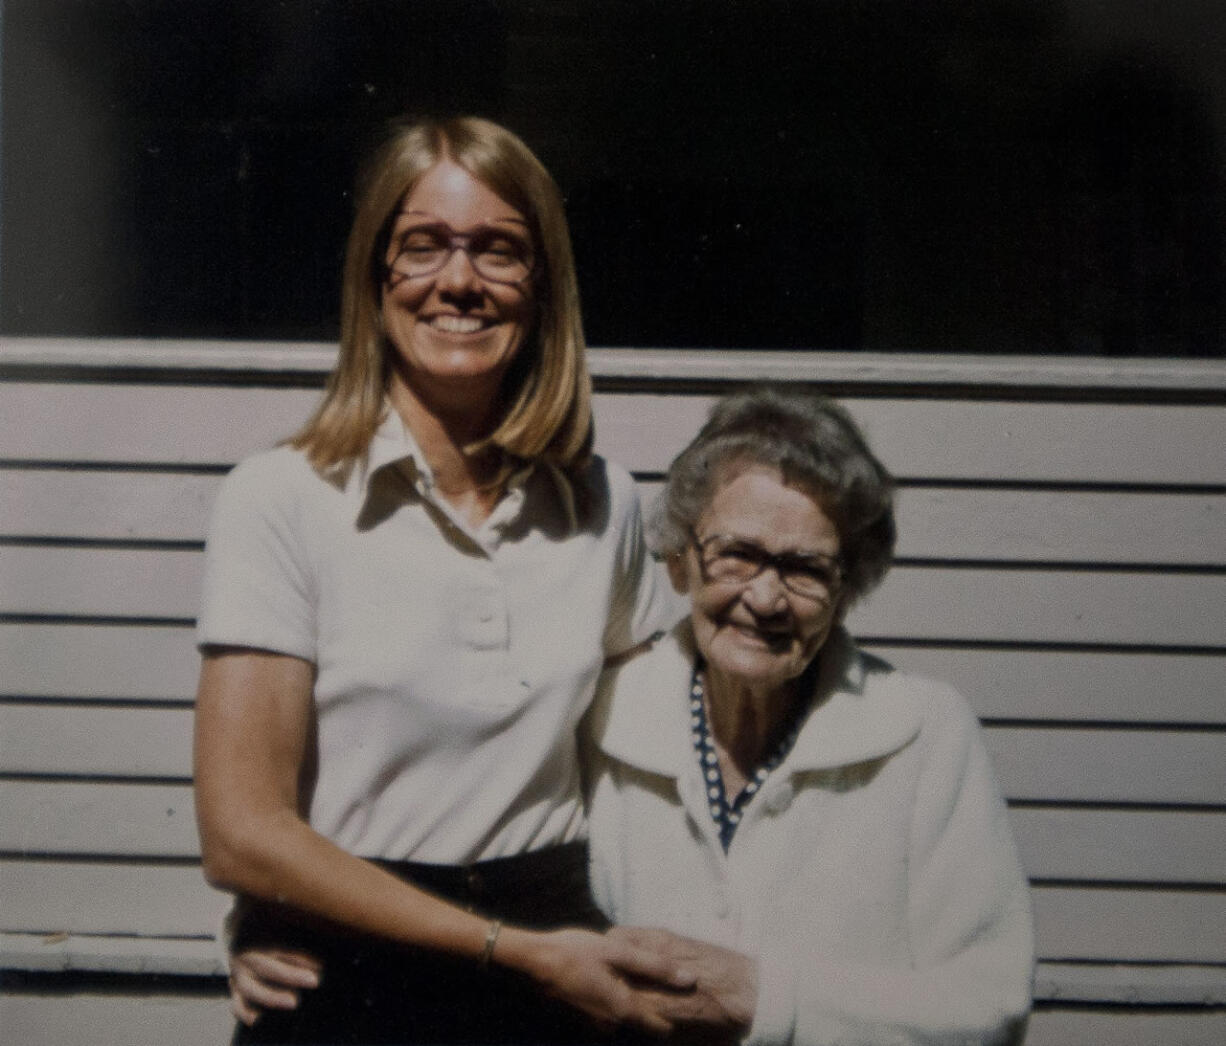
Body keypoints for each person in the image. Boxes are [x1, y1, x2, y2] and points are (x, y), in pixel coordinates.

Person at [230, 387, 1036, 1044]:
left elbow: (988, 1004)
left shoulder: (923, 733)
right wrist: (279, 922)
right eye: (738, 554)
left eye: (804, 568)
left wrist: (765, 1000)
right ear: (681, 556)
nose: (763, 597)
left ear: (849, 583)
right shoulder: (606, 710)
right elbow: (454, 836)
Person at [192, 114, 726, 1045]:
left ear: (544, 286)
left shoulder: (603, 504)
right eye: (424, 246)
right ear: (376, 277)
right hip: (354, 979)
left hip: (561, 970)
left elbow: (656, 768)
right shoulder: (281, 498)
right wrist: (264, 910)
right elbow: (242, 830)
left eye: (498, 252)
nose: (459, 281)